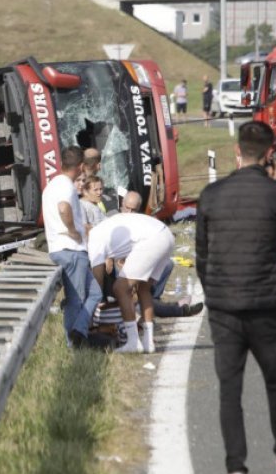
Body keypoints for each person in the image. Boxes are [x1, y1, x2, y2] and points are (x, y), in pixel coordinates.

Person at [196, 121, 276, 474]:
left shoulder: (210, 194)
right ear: (269, 154)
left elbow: (202, 257)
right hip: (266, 305)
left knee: (229, 388)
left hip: (224, 308)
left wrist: (215, 293)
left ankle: (235, 471)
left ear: (237, 151)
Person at [42, 145, 103, 349]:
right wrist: (73, 230)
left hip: (66, 249)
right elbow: (63, 207)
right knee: (76, 299)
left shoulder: (53, 184)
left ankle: (79, 330)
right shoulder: (65, 186)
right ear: (79, 167)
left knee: (95, 293)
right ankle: (73, 344)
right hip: (71, 250)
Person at [87, 212, 175, 353]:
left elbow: (98, 279)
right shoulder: (104, 228)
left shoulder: (93, 239)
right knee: (143, 289)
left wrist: (90, 308)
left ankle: (133, 342)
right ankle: (148, 342)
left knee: (120, 288)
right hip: (166, 235)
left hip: (152, 240)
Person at [119, 191, 203, 319]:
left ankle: (155, 299)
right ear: (121, 204)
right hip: (124, 269)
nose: (129, 213)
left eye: (133, 210)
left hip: (136, 263)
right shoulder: (115, 221)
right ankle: (178, 310)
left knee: (166, 264)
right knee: (143, 297)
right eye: (127, 208)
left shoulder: (140, 222)